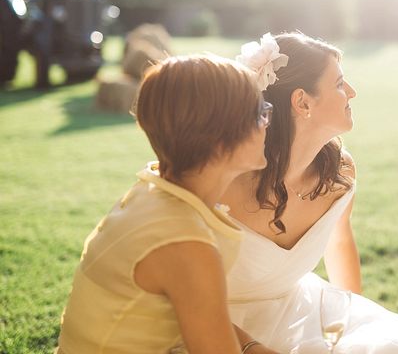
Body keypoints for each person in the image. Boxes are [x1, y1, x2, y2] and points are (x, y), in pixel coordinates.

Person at [220, 33, 398, 353]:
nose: (352, 92)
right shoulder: (223, 179)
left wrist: (354, 323)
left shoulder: (340, 171)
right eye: (338, 84)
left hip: (300, 309)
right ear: (302, 102)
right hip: (217, 321)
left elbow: (340, 242)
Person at [56, 54, 278, 354]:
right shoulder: (185, 241)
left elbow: (200, 316)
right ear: (219, 138)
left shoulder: (152, 189)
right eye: (260, 113)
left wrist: (253, 347)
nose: (267, 124)